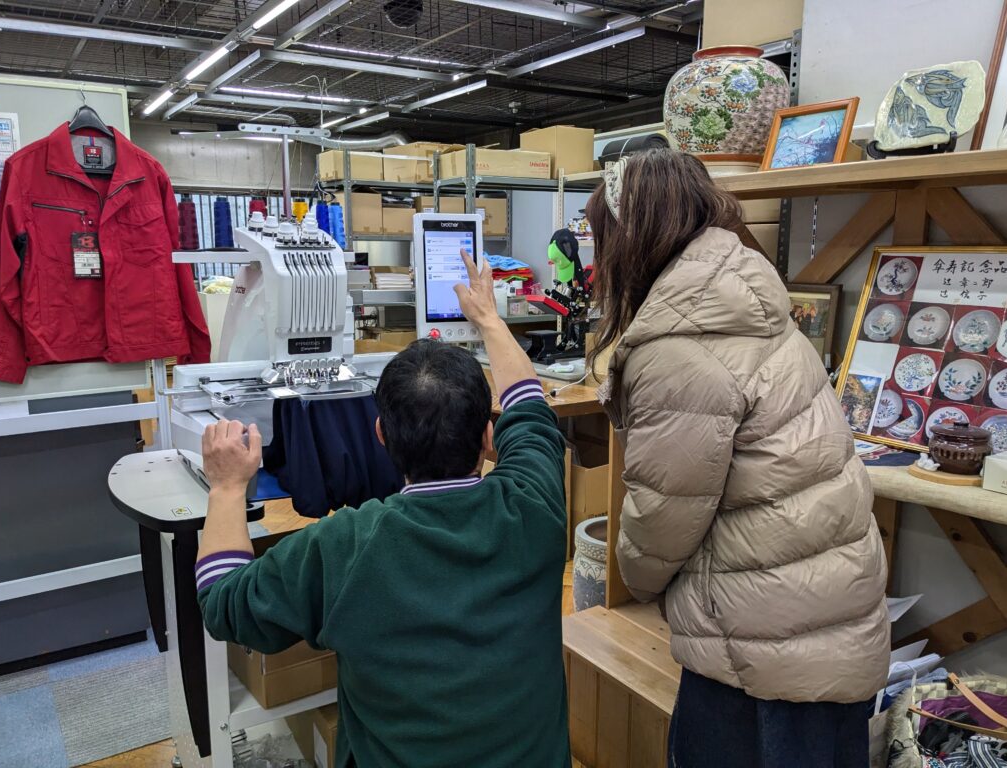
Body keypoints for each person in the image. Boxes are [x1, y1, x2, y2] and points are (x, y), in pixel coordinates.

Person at [194, 251, 571, 768]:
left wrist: (227, 488)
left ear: (381, 437)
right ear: (488, 437)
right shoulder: (534, 505)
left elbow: (222, 604)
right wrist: (486, 317)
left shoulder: (342, 547)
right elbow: (527, 402)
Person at [587, 150, 889, 768]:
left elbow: (663, 517)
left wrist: (636, 576)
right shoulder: (741, 293)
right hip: (818, 614)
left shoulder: (679, 347)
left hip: (763, 636)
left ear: (632, 236)